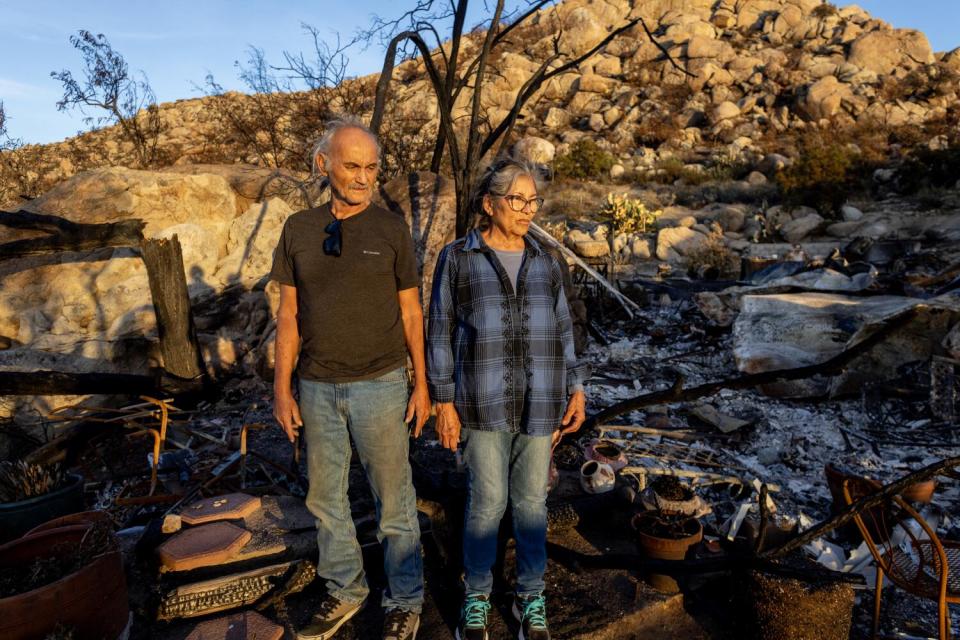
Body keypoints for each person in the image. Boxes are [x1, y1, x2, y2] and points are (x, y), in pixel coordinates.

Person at [270, 116, 429, 640]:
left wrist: (423, 384)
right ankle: (345, 589)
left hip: (381, 384)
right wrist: (282, 389)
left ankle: (405, 598)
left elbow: (411, 313)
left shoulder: (390, 229)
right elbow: (288, 316)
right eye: (352, 165)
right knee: (325, 499)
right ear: (323, 165)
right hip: (316, 387)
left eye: (372, 167)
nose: (364, 177)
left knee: (393, 499)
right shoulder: (298, 229)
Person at [426, 158, 587, 640]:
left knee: (531, 504)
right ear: (489, 203)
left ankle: (529, 598)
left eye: (533, 200)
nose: (527, 209)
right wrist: (443, 401)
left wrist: (577, 386)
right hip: (481, 401)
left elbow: (563, 326)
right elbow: (439, 330)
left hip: (541, 401)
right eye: (517, 199)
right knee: (487, 502)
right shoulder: (458, 258)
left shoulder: (545, 259)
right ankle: (476, 598)